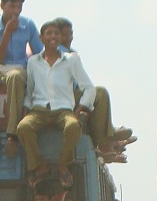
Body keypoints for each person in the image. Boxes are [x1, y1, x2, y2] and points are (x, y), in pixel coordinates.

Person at [17, 20, 94, 188]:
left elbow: (89, 88)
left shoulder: (71, 60)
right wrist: (26, 109)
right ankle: (38, 165)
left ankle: (62, 165)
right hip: (39, 110)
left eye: (56, 33)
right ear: (41, 38)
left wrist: (81, 107)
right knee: (23, 127)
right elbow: (30, 91)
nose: (53, 36)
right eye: (49, 33)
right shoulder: (33, 62)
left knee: (73, 126)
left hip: (63, 110)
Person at [55, 17, 135, 163]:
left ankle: (109, 143)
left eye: (70, 34)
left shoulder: (71, 53)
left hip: (72, 95)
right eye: (65, 35)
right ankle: (107, 143)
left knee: (92, 100)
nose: (69, 38)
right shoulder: (57, 53)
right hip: (62, 98)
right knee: (100, 94)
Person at [0, 0, 43, 155]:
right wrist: (7, 32)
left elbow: (39, 52)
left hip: (18, 67)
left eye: (19, 7)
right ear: (2, 6)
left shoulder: (28, 24)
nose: (16, 11)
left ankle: (12, 135)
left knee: (15, 77)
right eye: (12, 7)